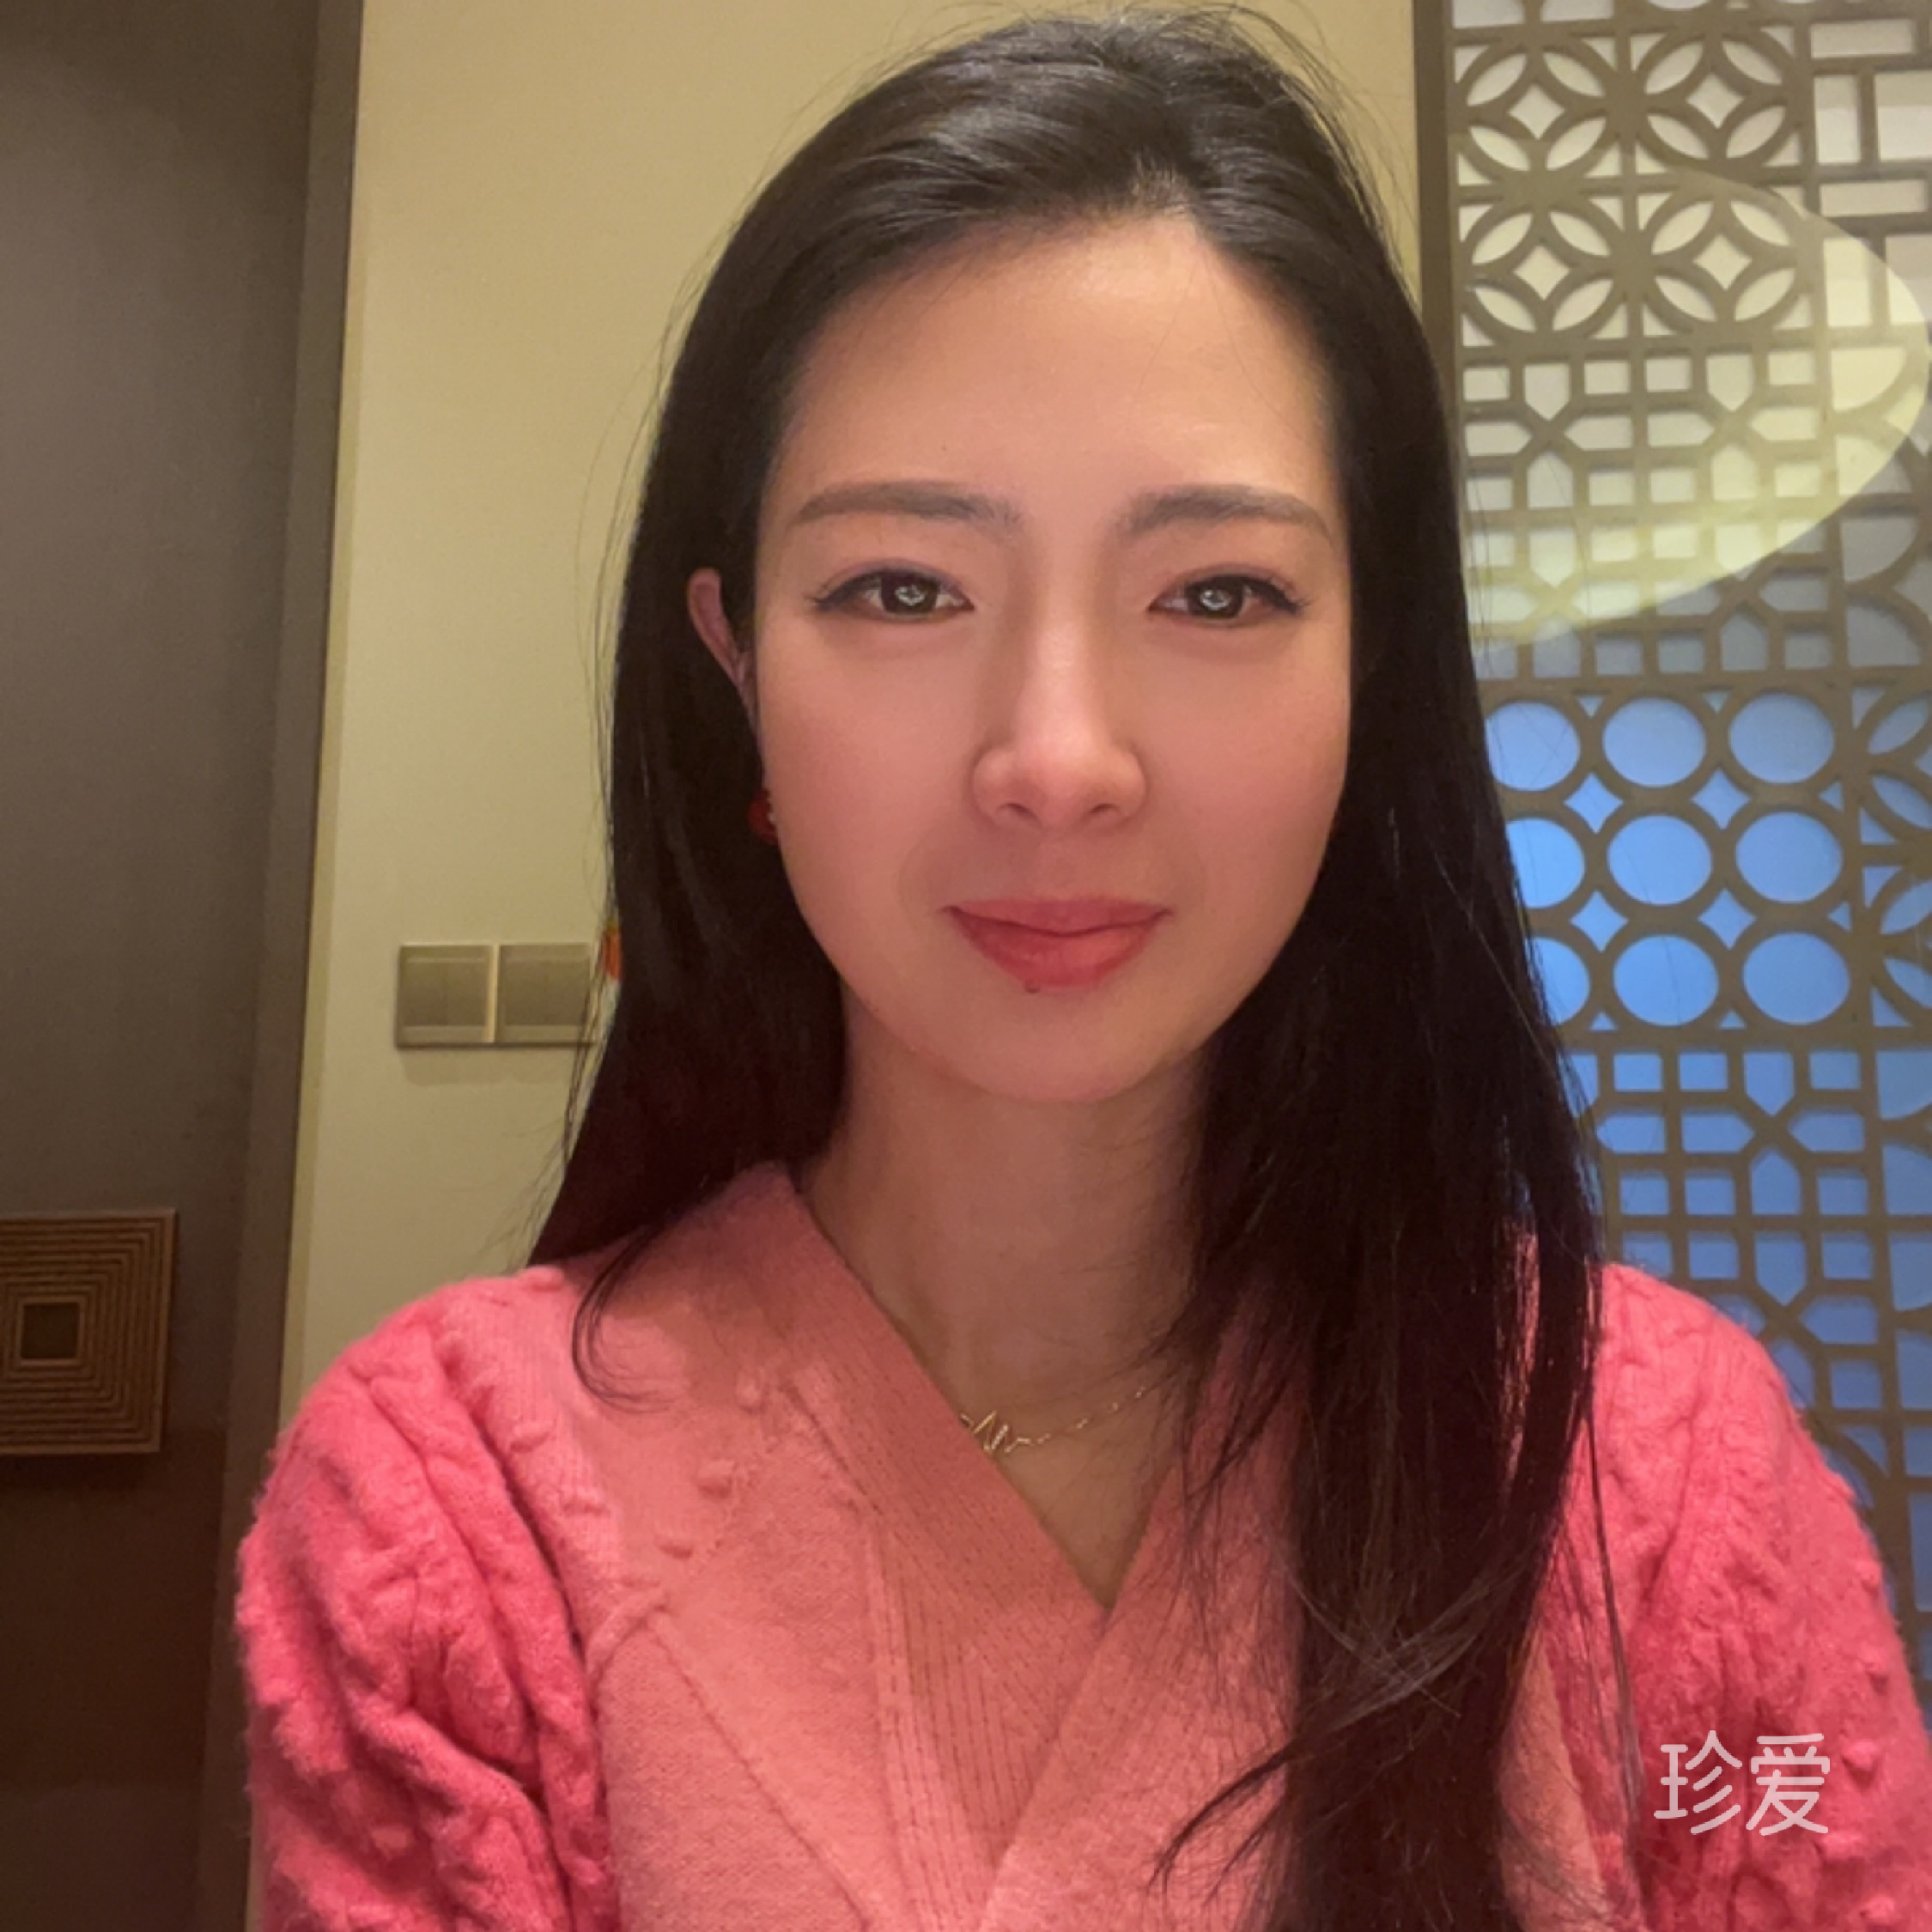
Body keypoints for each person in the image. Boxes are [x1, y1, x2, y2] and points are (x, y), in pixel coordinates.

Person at [233, 9, 1932, 1929]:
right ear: (734, 669)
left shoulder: (1661, 1483)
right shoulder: (464, 1511)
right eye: (902, 588)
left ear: (1369, 672)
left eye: (1216, 592)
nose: (1056, 759)